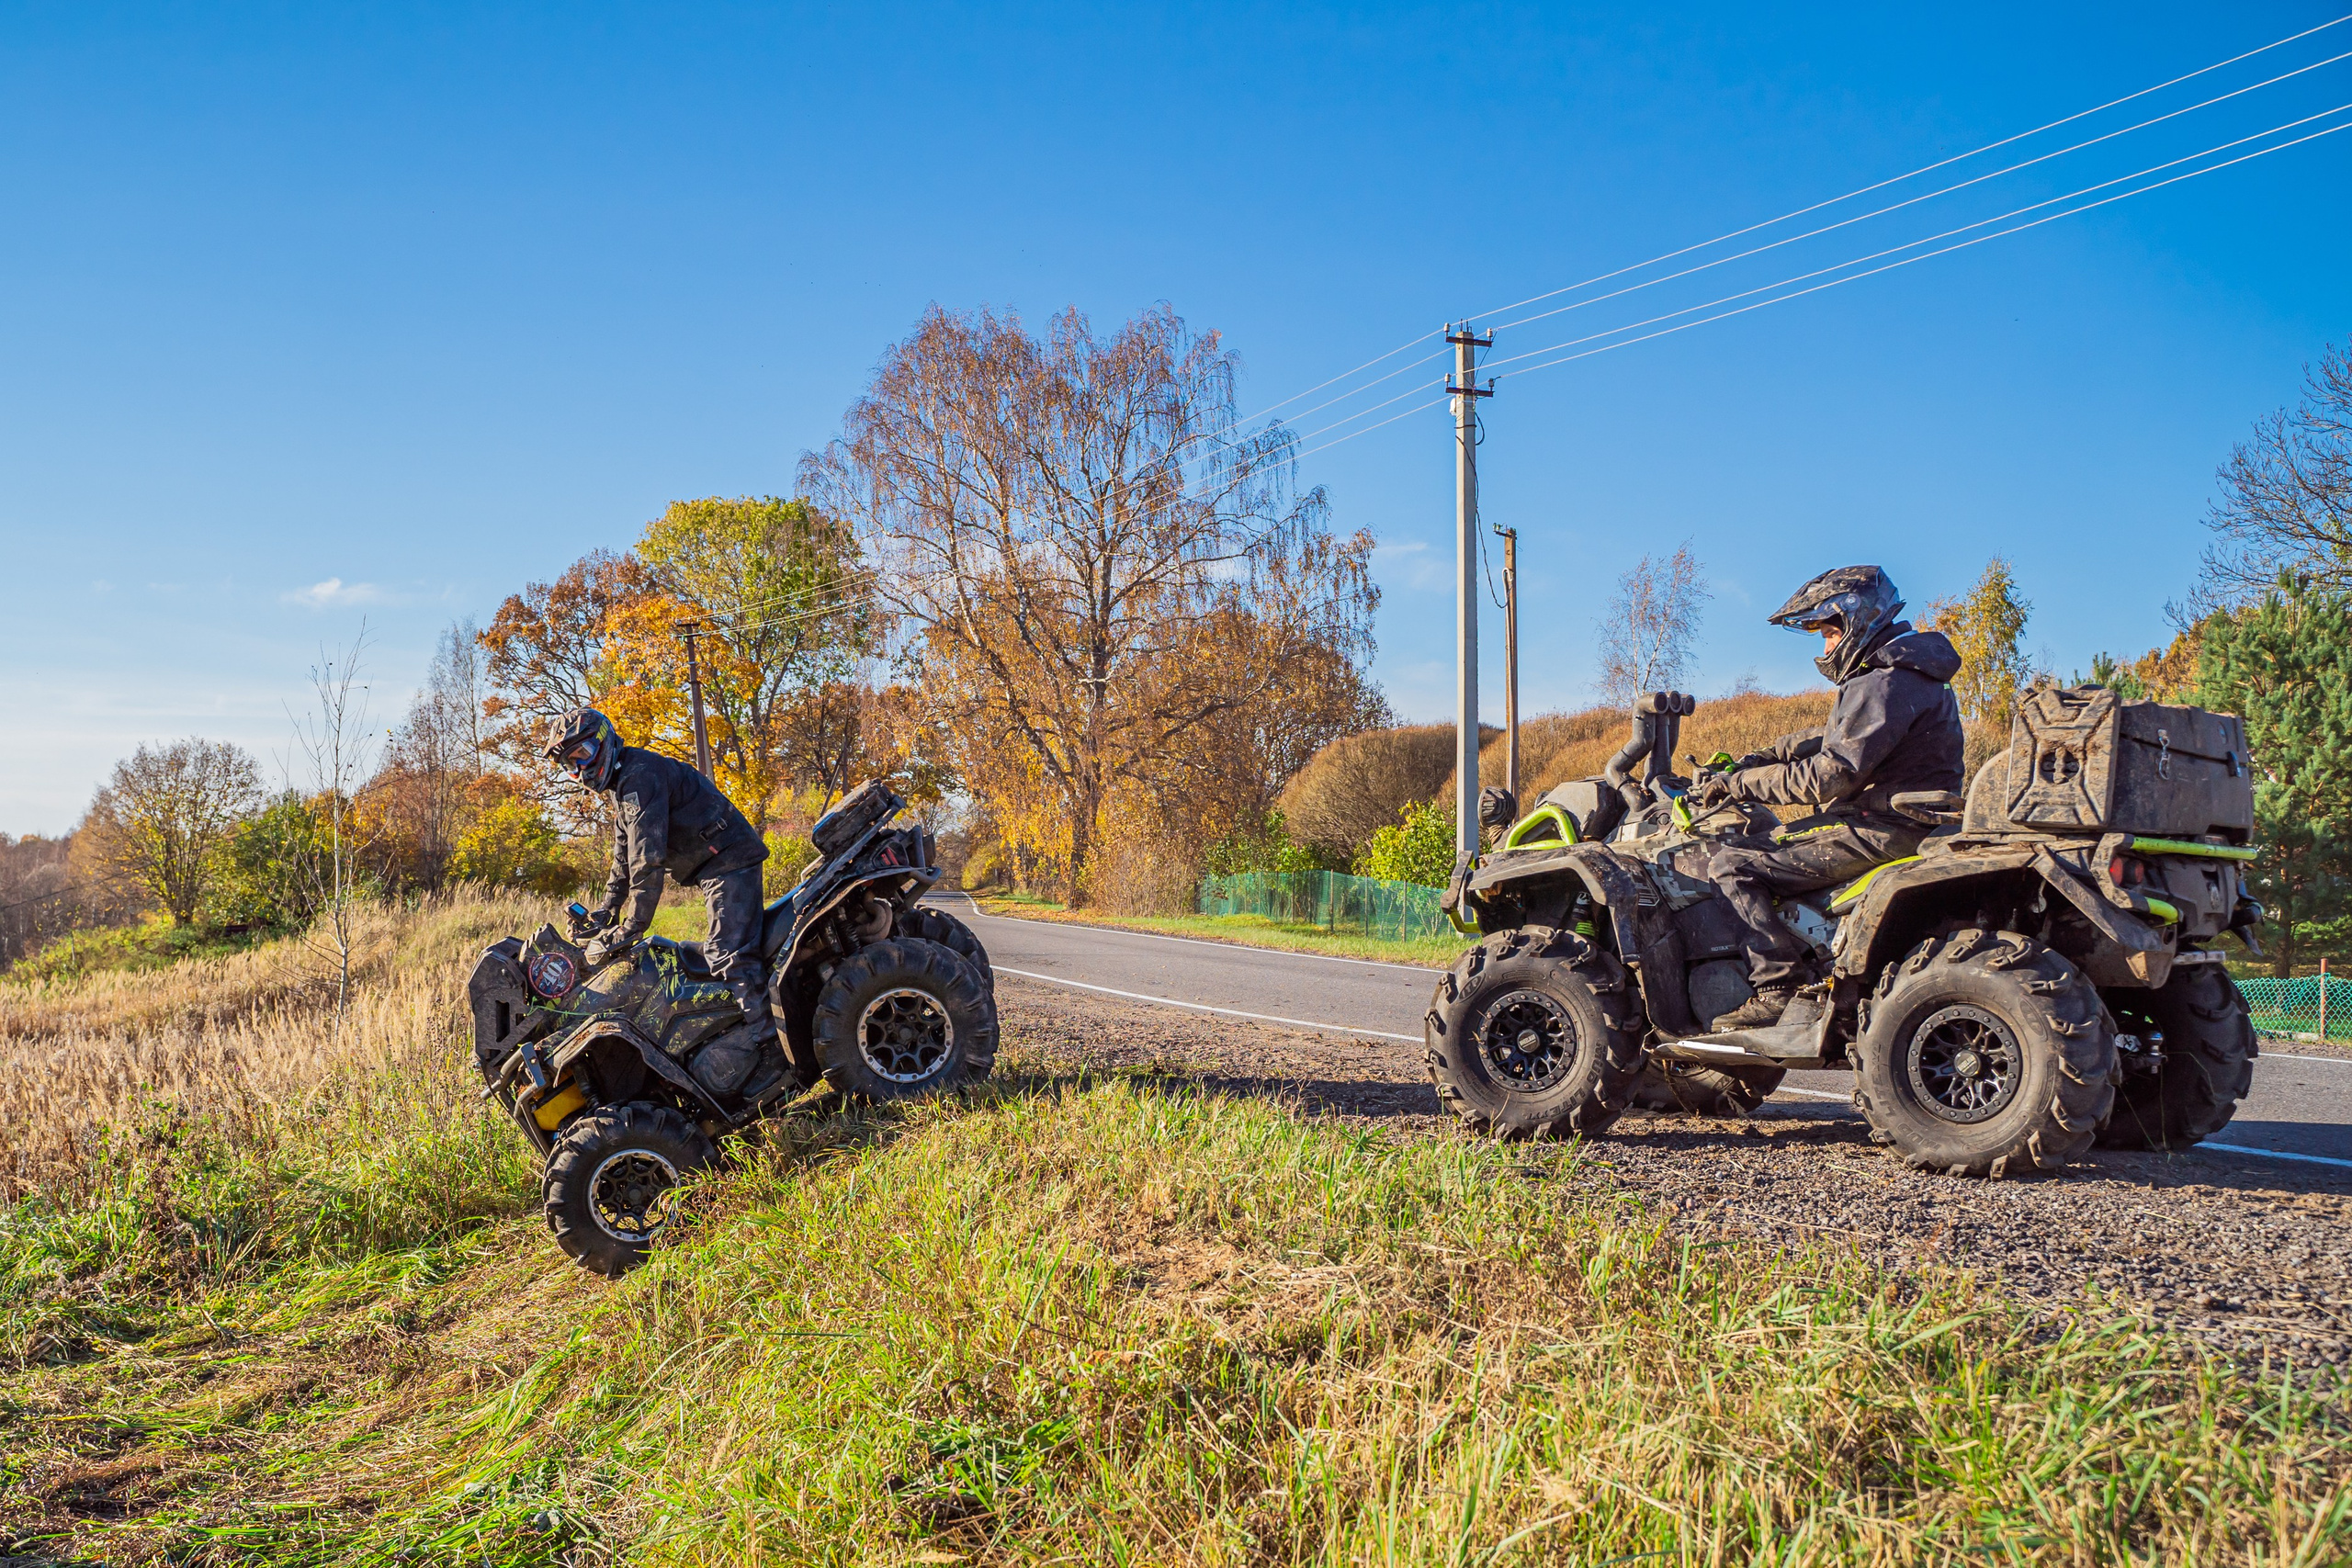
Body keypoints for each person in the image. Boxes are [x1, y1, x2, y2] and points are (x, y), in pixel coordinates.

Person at [1688, 565, 1964, 1031]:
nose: (1827, 646)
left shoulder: (1884, 681)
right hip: (1905, 822)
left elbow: (1828, 777)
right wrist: (1764, 756)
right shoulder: (1907, 674)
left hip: (1882, 828)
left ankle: (1777, 986)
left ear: (1858, 619)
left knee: (1730, 865)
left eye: (1830, 632)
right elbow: (1836, 736)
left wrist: (1735, 785)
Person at [545, 707, 775, 1047]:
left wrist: (633, 926)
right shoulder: (623, 783)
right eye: (570, 764)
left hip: (729, 860)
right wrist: (607, 911)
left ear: (604, 740)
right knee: (705, 958)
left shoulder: (640, 775)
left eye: (583, 754)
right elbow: (623, 856)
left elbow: (646, 858)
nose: (579, 769)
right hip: (716, 864)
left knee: (729, 956)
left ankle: (772, 1046)